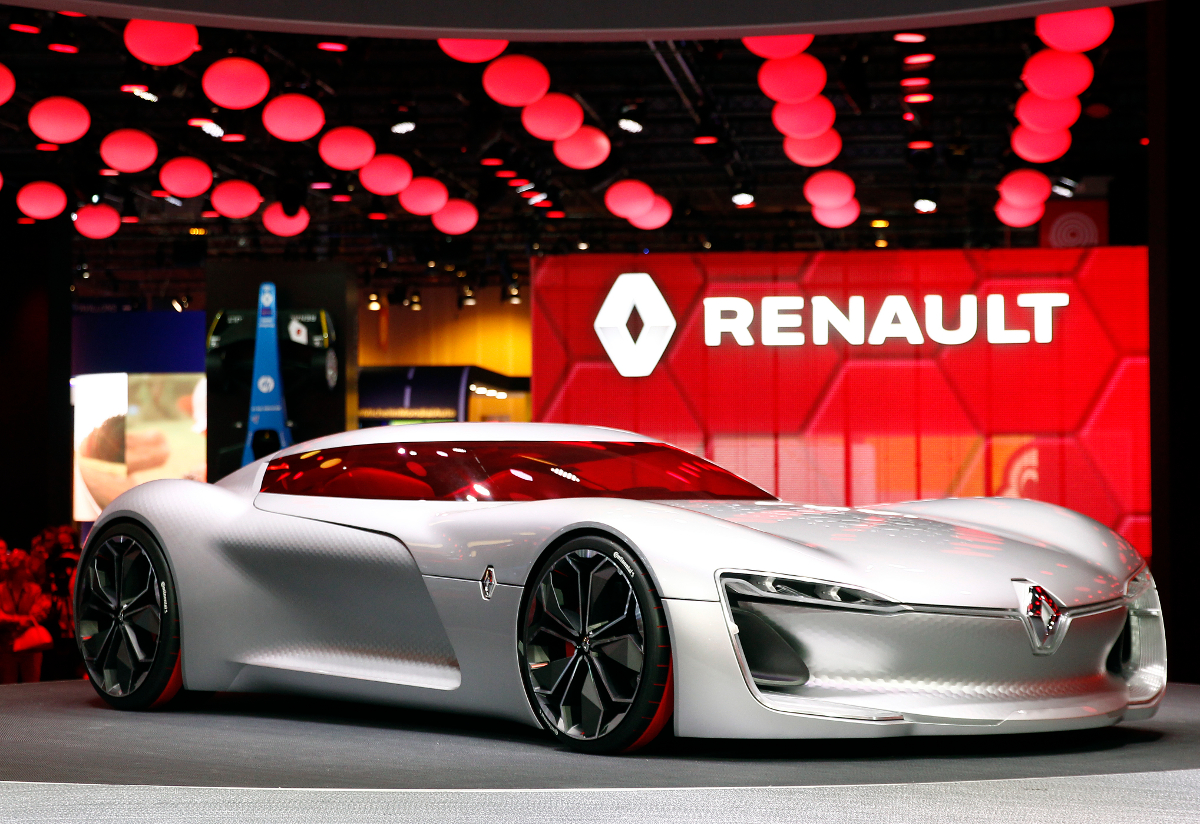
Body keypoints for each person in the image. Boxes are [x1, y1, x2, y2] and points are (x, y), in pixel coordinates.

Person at [0, 549, 52, 684]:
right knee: (8, 687)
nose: (27, 572)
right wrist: (20, 620)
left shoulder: (34, 589)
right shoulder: (1, 590)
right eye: (22, 568)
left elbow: (41, 612)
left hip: (31, 647)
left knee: (32, 686)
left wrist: (11, 620)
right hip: (6, 646)